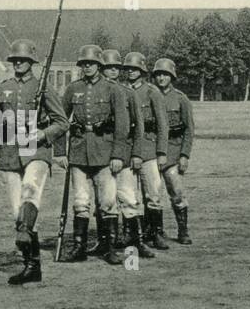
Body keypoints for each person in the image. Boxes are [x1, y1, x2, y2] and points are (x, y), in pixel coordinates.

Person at [0, 38, 69, 284]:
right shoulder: (3, 88)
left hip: (37, 150)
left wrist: (44, 134)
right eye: (15, 59)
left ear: (31, 62)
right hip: (10, 152)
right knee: (18, 212)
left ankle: (28, 248)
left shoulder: (44, 88)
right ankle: (32, 266)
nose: (19, 63)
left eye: (24, 60)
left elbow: (62, 122)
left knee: (31, 189)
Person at [60, 45, 130, 264]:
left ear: (99, 65)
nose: (88, 66)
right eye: (84, 63)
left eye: (91, 63)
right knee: (81, 201)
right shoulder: (73, 89)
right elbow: (61, 121)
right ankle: (79, 248)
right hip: (79, 153)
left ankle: (109, 248)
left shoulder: (113, 89)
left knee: (108, 201)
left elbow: (122, 125)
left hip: (105, 152)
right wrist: (61, 152)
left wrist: (118, 155)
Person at [100, 50, 152, 259]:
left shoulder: (128, 93)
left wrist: (137, 153)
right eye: (107, 67)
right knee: (105, 200)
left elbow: (138, 127)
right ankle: (107, 243)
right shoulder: (96, 93)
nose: (111, 71)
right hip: (103, 153)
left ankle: (136, 241)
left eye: (115, 68)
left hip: (126, 152)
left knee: (129, 197)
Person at [123, 51, 170, 251]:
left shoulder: (152, 92)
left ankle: (156, 233)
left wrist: (162, 152)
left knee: (153, 193)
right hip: (129, 149)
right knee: (130, 194)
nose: (132, 72)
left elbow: (162, 124)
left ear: (142, 71)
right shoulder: (122, 90)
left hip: (149, 148)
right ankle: (133, 233)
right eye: (129, 69)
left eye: (135, 69)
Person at [151, 58, 193, 245]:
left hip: (173, 152)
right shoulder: (149, 95)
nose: (161, 78)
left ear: (172, 76)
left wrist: (184, 155)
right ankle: (156, 232)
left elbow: (189, 129)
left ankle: (182, 230)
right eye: (158, 74)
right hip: (152, 151)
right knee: (153, 194)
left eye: (165, 74)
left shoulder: (180, 98)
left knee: (177, 193)